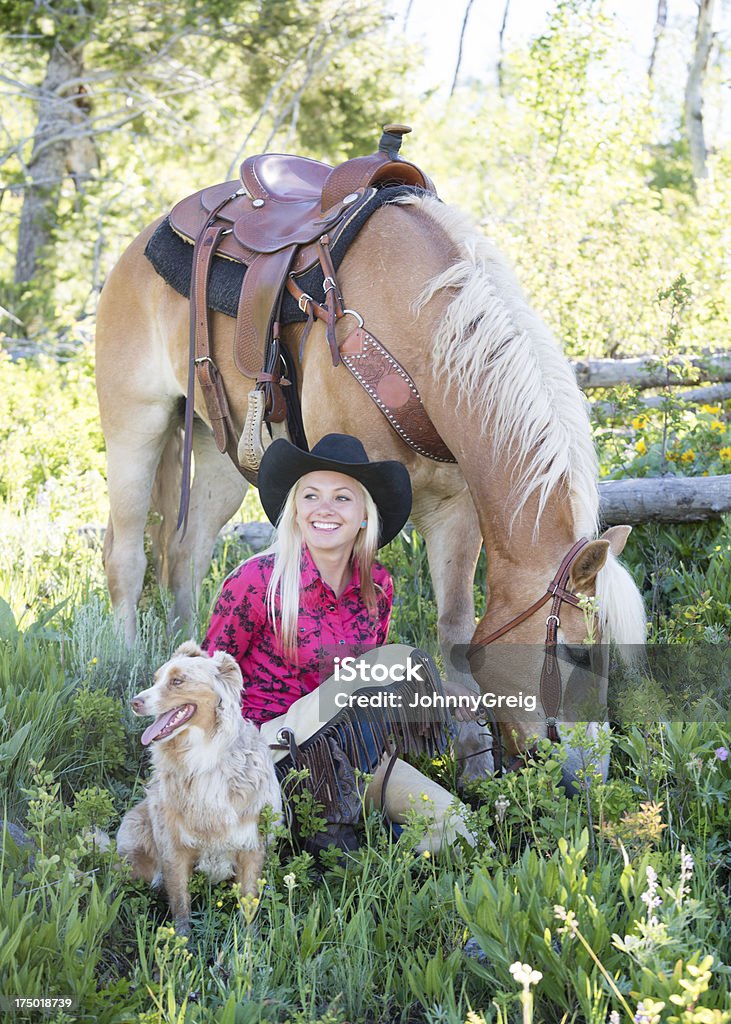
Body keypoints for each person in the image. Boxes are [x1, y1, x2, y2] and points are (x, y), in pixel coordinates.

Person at [202, 433, 474, 854]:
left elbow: (361, 687)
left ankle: (375, 853)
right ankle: (314, 830)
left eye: (342, 498)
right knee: (387, 668)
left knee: (455, 827)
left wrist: (441, 695)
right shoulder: (256, 582)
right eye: (310, 495)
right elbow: (205, 681)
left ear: (364, 515)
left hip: (348, 750)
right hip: (265, 754)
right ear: (295, 511)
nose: (324, 509)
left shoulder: (378, 588)